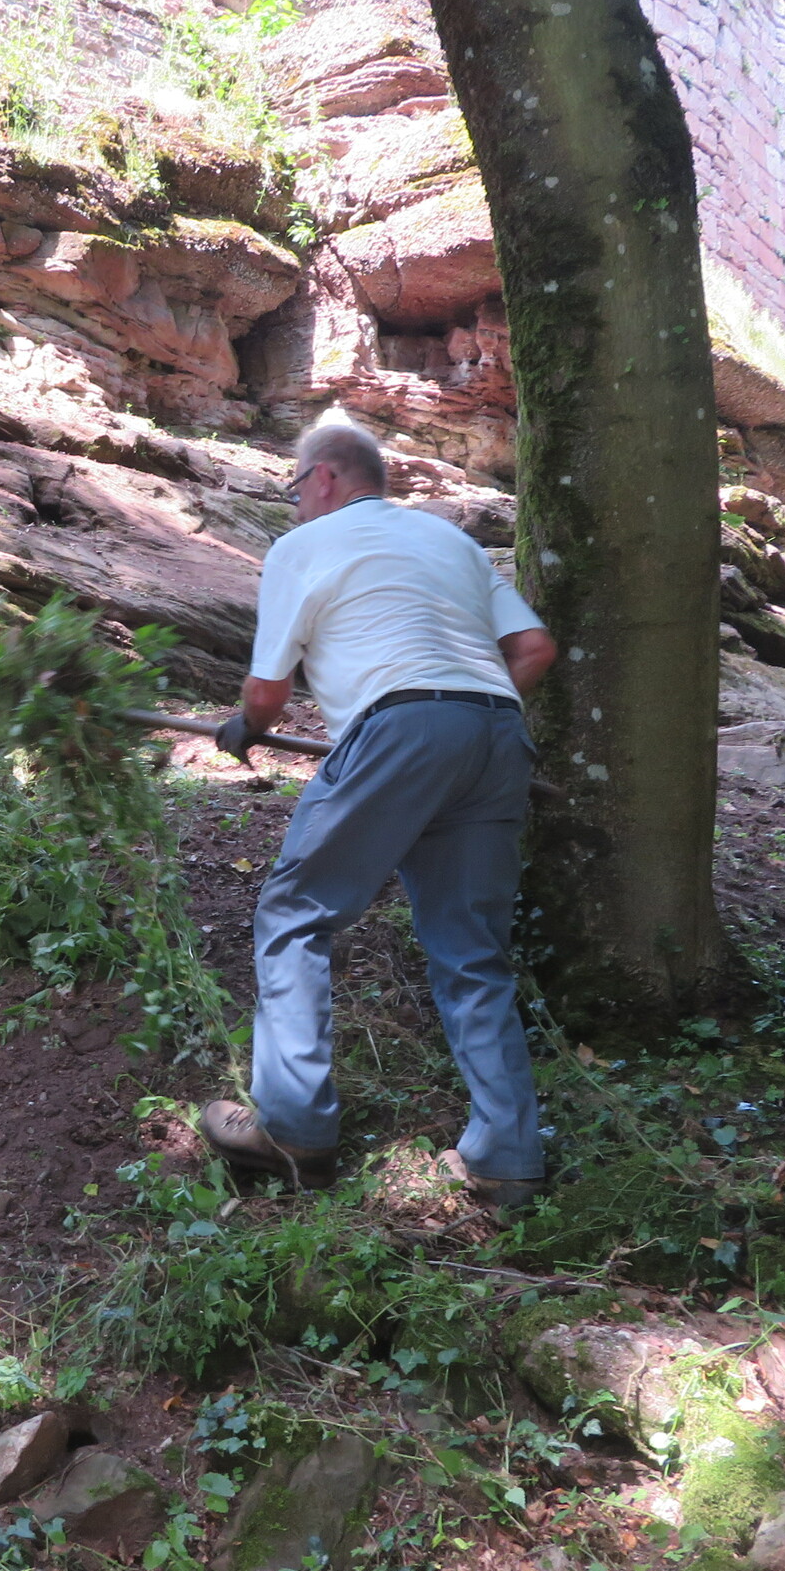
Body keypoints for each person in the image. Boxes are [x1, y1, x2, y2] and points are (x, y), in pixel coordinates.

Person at [199, 411, 558, 1206]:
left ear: (324, 477)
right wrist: (461, 713)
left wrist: (245, 727)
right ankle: (507, 1157)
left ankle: (293, 1128)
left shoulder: (303, 546)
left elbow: (266, 691)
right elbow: (535, 650)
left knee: (296, 913)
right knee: (471, 950)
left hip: (399, 727)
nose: (295, 503)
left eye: (295, 487)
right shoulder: (453, 543)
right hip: (499, 736)